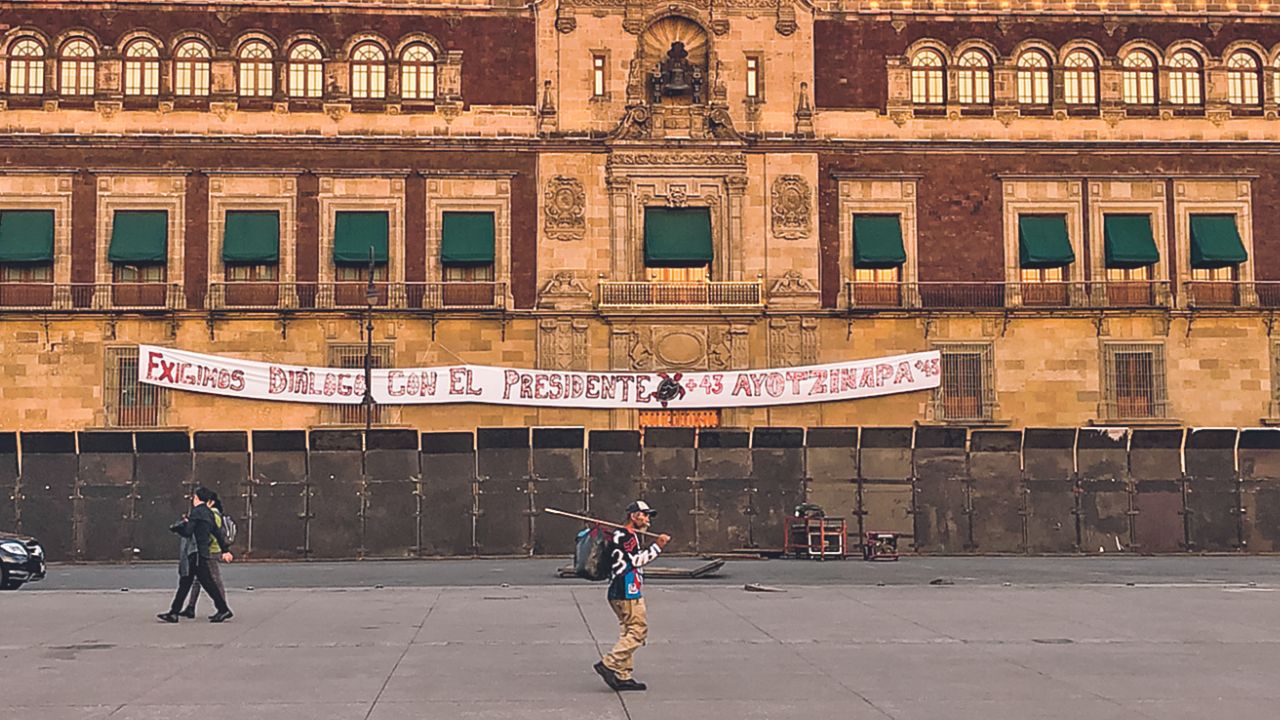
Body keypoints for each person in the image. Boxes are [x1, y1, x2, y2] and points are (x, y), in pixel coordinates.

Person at [593, 500, 669, 692]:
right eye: (645, 515)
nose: (648, 520)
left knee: (627, 630)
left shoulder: (619, 534)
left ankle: (623, 674)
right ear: (634, 516)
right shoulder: (628, 536)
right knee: (637, 631)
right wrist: (657, 547)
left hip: (616, 589)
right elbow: (635, 561)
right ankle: (609, 663)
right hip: (628, 589)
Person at [175, 487, 235, 622]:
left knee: (212, 580)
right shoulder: (209, 513)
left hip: (209, 550)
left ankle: (222, 608)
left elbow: (213, 532)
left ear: (210, 502)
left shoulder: (209, 514)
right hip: (207, 550)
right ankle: (188, 607)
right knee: (199, 580)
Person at [156, 502, 201, 623]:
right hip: (194, 556)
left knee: (207, 582)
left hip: (193, 556)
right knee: (199, 583)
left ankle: (223, 608)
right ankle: (178, 611)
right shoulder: (200, 519)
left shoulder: (197, 522)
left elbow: (185, 533)